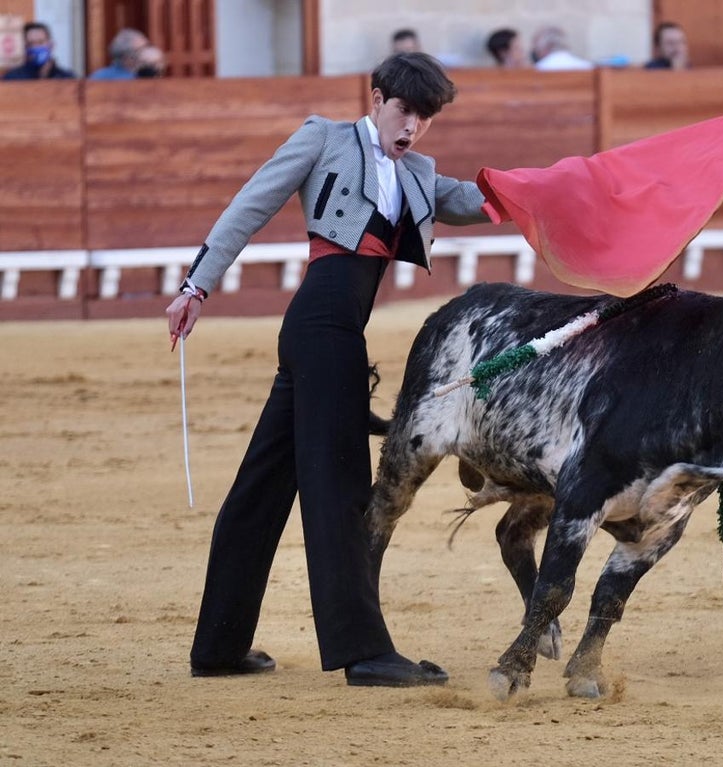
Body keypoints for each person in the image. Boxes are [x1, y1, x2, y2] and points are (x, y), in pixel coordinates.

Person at [167, 52, 494, 687]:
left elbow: (480, 199)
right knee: (342, 487)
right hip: (323, 332)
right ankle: (364, 652)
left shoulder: (419, 173)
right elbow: (249, 206)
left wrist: (566, 186)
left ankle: (218, 645)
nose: (412, 127)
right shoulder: (325, 137)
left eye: (424, 118)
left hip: (331, 333)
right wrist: (195, 286)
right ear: (376, 99)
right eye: (404, 110)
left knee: (259, 492)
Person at [3, 21, 75, 80]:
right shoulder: (12, 79)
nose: (36, 47)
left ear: (51, 45)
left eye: (40, 42)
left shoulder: (67, 78)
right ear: (24, 47)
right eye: (30, 44)